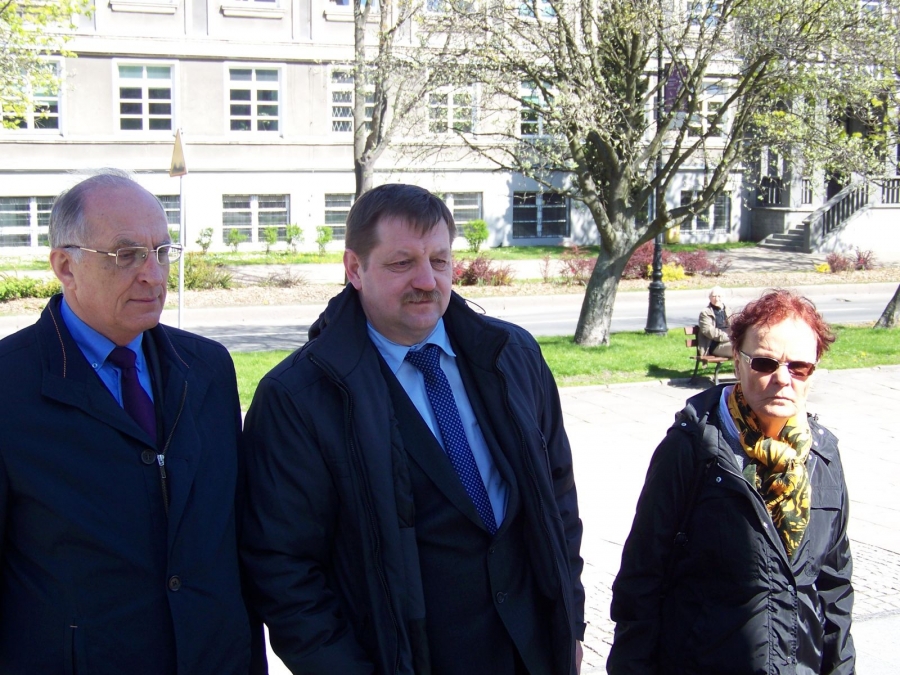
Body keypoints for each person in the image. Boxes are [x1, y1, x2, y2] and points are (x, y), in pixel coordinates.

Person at [241, 183, 585, 675]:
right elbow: (284, 572)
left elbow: (557, 498)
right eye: (402, 263)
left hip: (533, 655)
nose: (427, 280)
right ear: (354, 268)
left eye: (440, 261)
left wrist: (569, 625)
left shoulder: (512, 356)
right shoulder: (298, 398)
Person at [0, 171, 264, 674]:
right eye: (127, 255)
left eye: (162, 252)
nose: (153, 274)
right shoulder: (9, 386)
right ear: (65, 266)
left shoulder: (208, 368)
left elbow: (233, 542)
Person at [607, 289, 854, 674]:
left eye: (799, 367)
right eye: (765, 363)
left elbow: (833, 588)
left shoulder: (824, 456)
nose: (782, 379)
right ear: (738, 361)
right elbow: (641, 580)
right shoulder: (693, 449)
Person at [698, 285, 733, 357]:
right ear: (709, 298)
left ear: (723, 297)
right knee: (738, 348)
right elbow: (709, 331)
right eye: (714, 296)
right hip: (714, 345)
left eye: (719, 296)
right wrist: (728, 337)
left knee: (747, 346)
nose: (717, 299)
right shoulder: (705, 313)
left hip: (730, 341)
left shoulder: (729, 310)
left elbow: (735, 326)